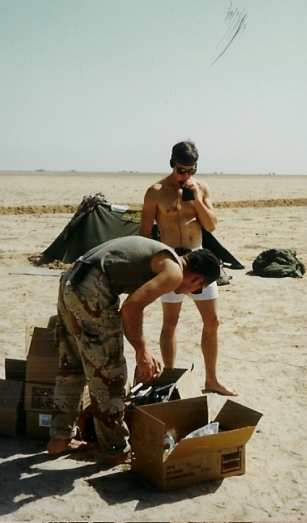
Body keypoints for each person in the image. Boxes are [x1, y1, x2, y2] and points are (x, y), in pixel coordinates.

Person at [46, 236, 222, 464]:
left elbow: (132, 303)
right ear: (197, 279)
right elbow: (130, 308)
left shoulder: (163, 255)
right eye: (198, 289)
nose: (192, 292)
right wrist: (142, 351)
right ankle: (116, 449)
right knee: (110, 374)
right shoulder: (174, 272)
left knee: (73, 366)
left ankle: (59, 438)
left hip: (71, 281)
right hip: (92, 287)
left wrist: (140, 348)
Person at [139, 141, 238, 396]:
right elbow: (145, 233)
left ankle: (212, 380)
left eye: (191, 170)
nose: (185, 176)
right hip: (171, 260)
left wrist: (197, 201)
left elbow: (211, 225)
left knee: (213, 321)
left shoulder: (200, 187)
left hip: (199, 257)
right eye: (181, 170)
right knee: (170, 323)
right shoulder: (156, 191)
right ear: (172, 164)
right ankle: (169, 378)